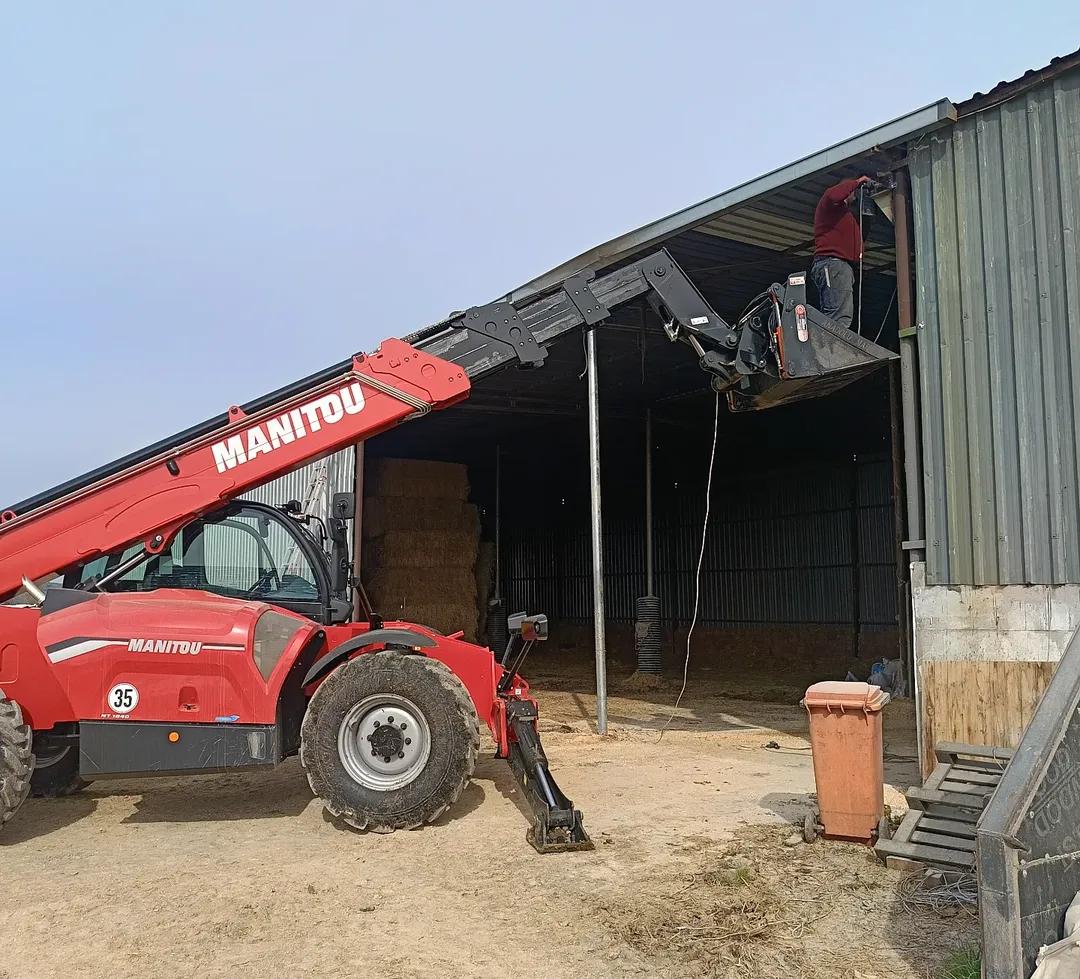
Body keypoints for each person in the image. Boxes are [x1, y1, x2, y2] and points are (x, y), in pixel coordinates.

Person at [810, 175, 872, 330]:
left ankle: (830, 342)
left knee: (839, 315)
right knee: (838, 317)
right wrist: (857, 182)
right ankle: (831, 344)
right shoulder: (830, 204)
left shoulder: (843, 215)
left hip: (839, 266)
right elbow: (832, 194)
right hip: (833, 263)